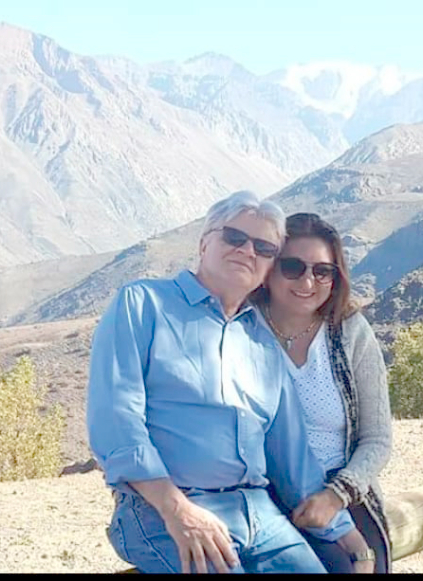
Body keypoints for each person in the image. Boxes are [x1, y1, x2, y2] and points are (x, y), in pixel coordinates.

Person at [86, 191, 369, 574]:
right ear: (205, 242)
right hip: (163, 510)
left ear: (268, 265)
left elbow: (291, 457)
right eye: (235, 237)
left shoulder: (263, 344)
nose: (247, 251)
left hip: (260, 516)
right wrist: (178, 511)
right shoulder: (142, 306)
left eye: (264, 247)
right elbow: (117, 425)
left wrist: (349, 537)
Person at [251, 212, 393, 574]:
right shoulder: (242, 327)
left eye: (322, 271)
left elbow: (377, 439)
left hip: (340, 489)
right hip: (260, 493)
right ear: (269, 269)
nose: (308, 281)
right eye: (293, 267)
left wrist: (337, 496)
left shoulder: (350, 332)